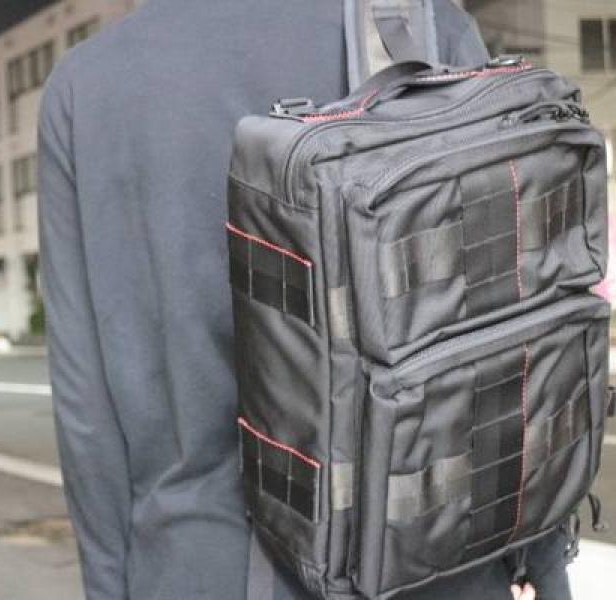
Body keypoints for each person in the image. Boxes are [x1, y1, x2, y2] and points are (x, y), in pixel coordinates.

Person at [38, 1, 571, 598]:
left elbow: (88, 415)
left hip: (198, 567)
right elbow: (514, 317)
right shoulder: (409, 25)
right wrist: (545, 565)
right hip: (421, 560)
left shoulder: (87, 87)